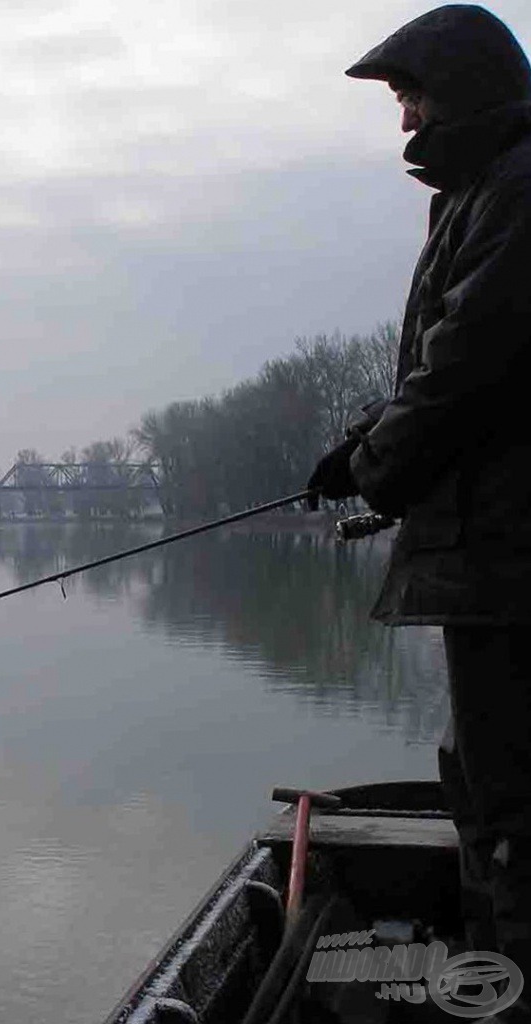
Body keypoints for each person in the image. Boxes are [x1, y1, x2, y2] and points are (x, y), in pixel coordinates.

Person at [306, 1, 531, 998]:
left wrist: (378, 466)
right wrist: (355, 445)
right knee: (483, 787)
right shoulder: (481, 192)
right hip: (490, 549)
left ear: (467, 88)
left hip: (510, 556)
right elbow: (433, 362)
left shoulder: (518, 189)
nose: (403, 122)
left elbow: (468, 363)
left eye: (411, 95)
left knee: (509, 805)